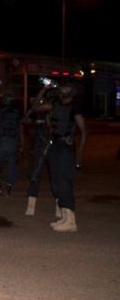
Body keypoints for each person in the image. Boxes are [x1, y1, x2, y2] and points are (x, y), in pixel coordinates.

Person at [45, 84, 87, 232]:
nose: (62, 92)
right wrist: (44, 91)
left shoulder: (75, 109)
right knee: (56, 182)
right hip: (55, 145)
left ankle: (71, 221)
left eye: (66, 91)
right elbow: (36, 107)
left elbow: (83, 131)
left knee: (64, 183)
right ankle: (64, 217)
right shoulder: (56, 105)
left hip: (65, 147)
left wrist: (79, 154)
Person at [24, 87, 55, 216]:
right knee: (35, 175)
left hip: (51, 144)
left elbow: (37, 106)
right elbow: (28, 115)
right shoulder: (38, 111)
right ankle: (31, 206)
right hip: (40, 144)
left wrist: (43, 90)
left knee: (55, 177)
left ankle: (60, 206)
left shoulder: (55, 106)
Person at [0, 92, 23, 196]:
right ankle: (9, 186)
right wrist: (21, 144)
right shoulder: (17, 112)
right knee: (12, 165)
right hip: (12, 141)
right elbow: (20, 128)